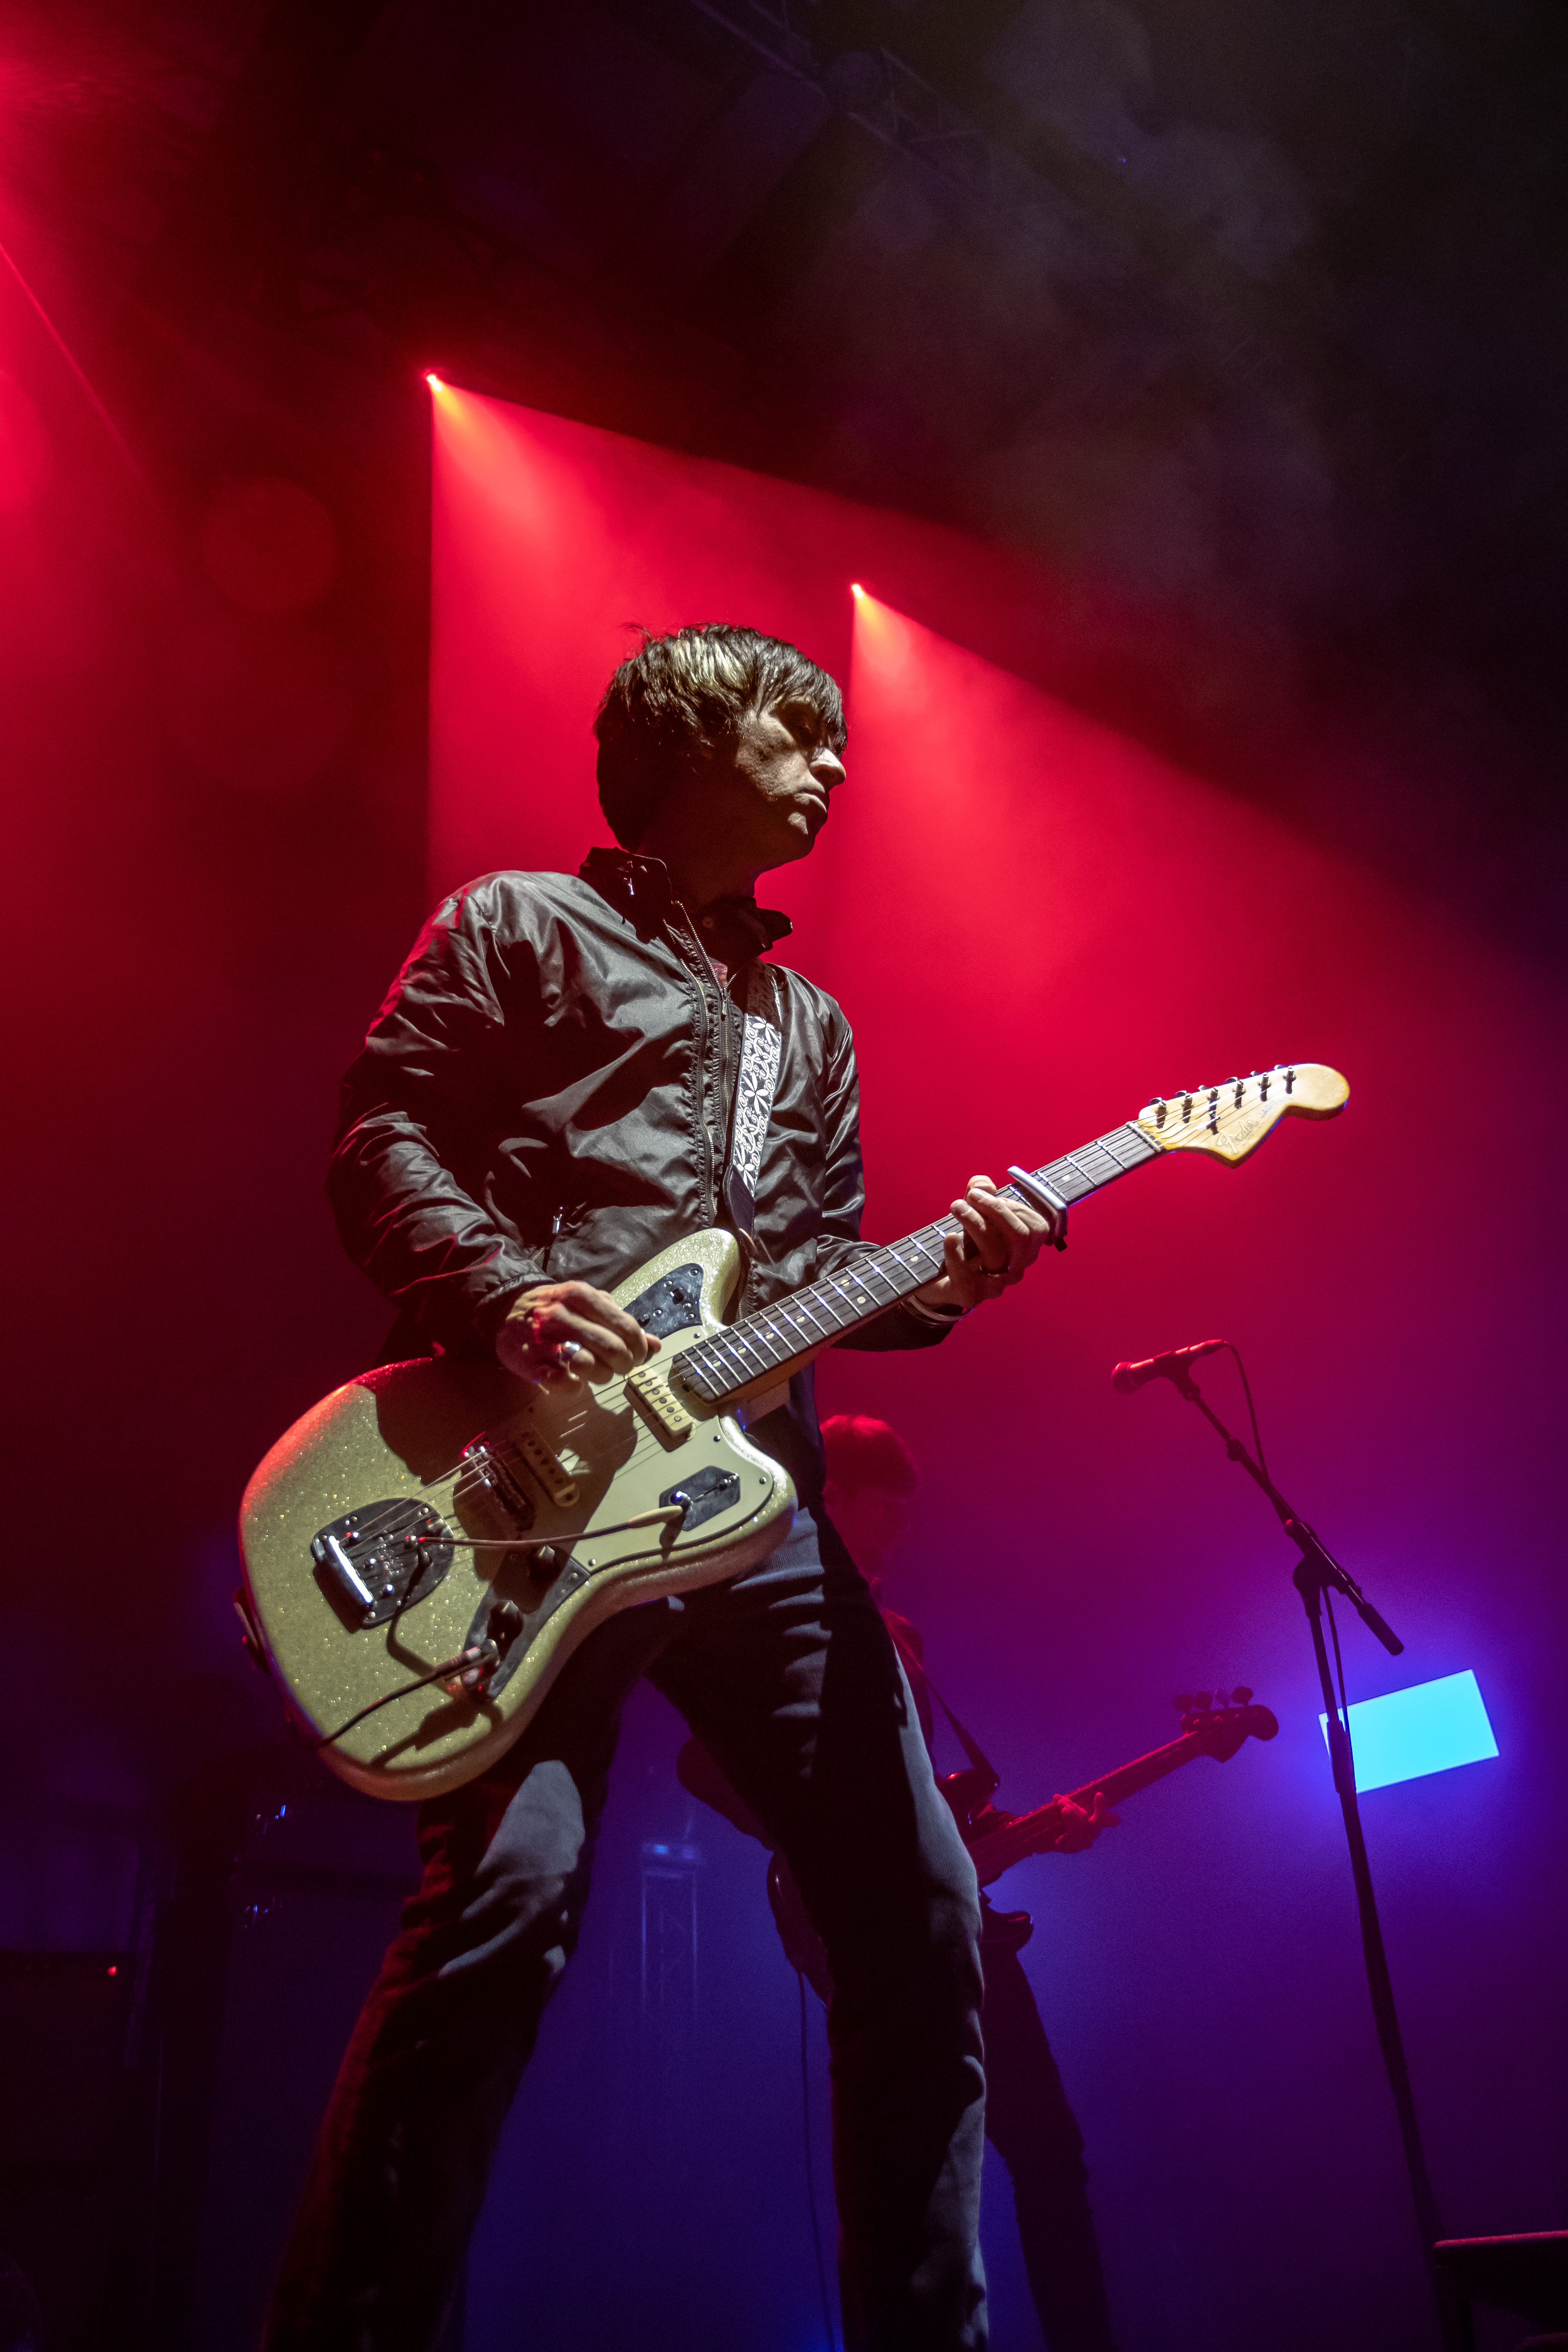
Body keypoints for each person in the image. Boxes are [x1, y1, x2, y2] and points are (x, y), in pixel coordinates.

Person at [263, 625, 1060, 2352]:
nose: (836, 764)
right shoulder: (517, 929)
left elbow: (814, 1268)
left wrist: (945, 1277)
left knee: (922, 1924)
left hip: (744, 1509)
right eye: (798, 735)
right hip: (524, 1502)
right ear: (692, 743)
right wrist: (498, 1291)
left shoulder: (811, 1027)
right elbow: (380, 1130)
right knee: (505, 1910)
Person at [681, 1414, 1119, 2352]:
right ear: (834, 1497)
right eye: (890, 1501)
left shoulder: (902, 1632)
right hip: (877, 1924)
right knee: (915, 2165)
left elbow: (927, 1812)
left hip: (954, 1918)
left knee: (1042, 2150)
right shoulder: (786, 1618)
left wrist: (1027, 1837)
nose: (905, 1523)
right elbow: (699, 1761)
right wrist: (815, 1837)